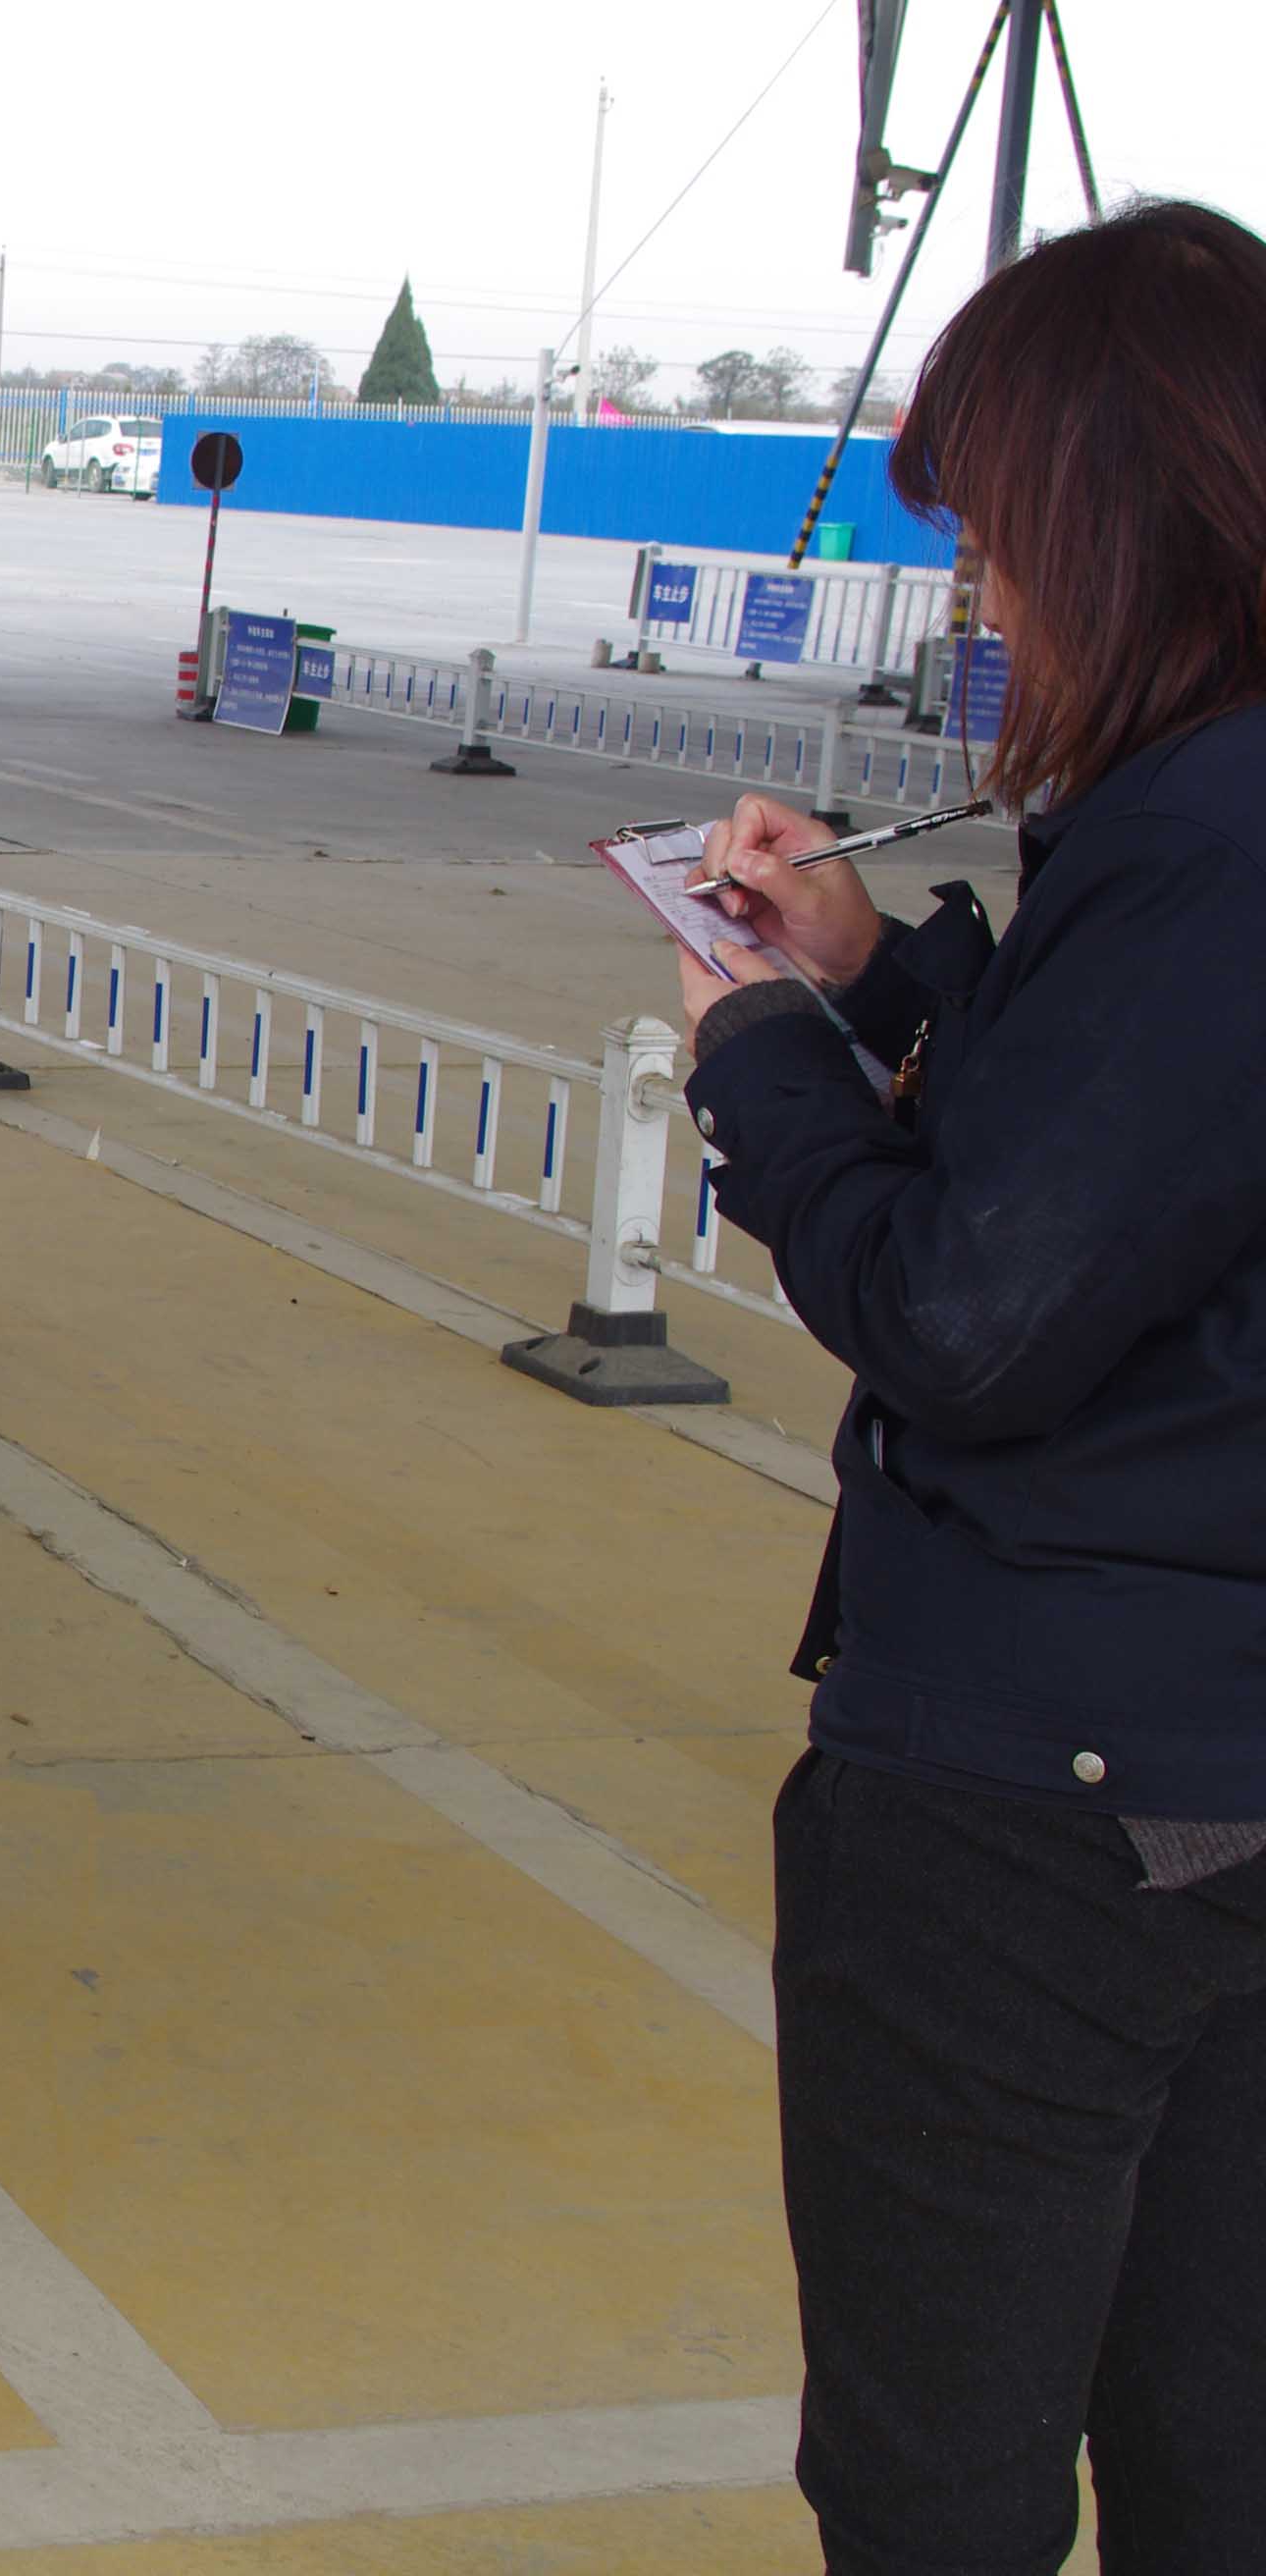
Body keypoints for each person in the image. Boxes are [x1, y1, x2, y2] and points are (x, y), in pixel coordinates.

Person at [674, 199, 1266, 2575]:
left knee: (943, 2469)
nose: (981, 592)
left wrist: (760, 1056)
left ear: (1118, 517)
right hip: (1220, 1759)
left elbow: (971, 1312)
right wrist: (880, 976)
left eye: (999, 534)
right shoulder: (1202, 822)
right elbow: (1158, 1161)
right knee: (1218, 2430)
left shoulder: (1204, 842)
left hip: (1043, 1800)